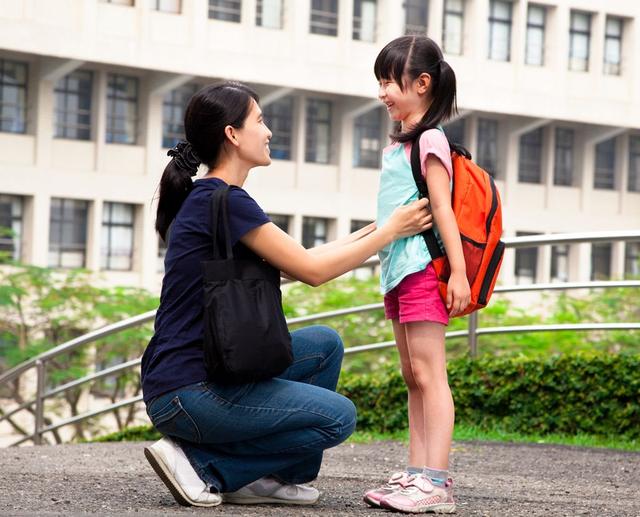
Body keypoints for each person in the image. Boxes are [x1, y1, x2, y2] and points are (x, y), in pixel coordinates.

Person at [140, 81, 433, 508]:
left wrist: (378, 230)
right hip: (189, 391)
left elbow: (298, 261)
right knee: (338, 417)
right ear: (232, 135)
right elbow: (312, 272)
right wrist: (392, 230)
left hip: (189, 380)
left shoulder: (215, 200)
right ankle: (204, 466)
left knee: (324, 346)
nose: (269, 131)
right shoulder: (225, 201)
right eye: (259, 120)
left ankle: (273, 477)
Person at [362, 36, 471, 514]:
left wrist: (459, 275)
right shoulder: (399, 143)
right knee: (412, 375)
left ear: (422, 84)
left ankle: (436, 482)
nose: (383, 91)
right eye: (380, 81)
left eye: (390, 81)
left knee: (430, 374)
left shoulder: (430, 139)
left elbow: (443, 209)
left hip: (424, 271)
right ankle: (416, 472)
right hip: (397, 272)